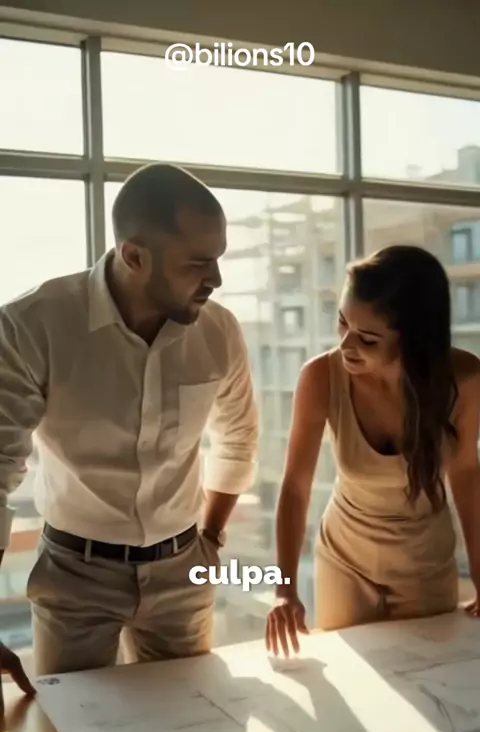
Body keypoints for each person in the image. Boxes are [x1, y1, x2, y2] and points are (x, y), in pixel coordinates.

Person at [0, 163, 258, 677]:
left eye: (218, 259)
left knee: (189, 717)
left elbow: (238, 440)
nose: (216, 279)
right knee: (72, 720)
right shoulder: (33, 325)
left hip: (184, 568)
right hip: (74, 577)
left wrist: (211, 539)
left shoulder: (220, 331)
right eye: (198, 263)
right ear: (135, 256)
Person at [267, 244, 480, 656]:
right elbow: (294, 487)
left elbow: (468, 474)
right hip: (345, 560)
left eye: (367, 338)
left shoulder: (465, 380)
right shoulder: (320, 377)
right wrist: (285, 590)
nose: (346, 345)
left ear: (415, 341)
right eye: (342, 323)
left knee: (430, 677)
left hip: (425, 562)